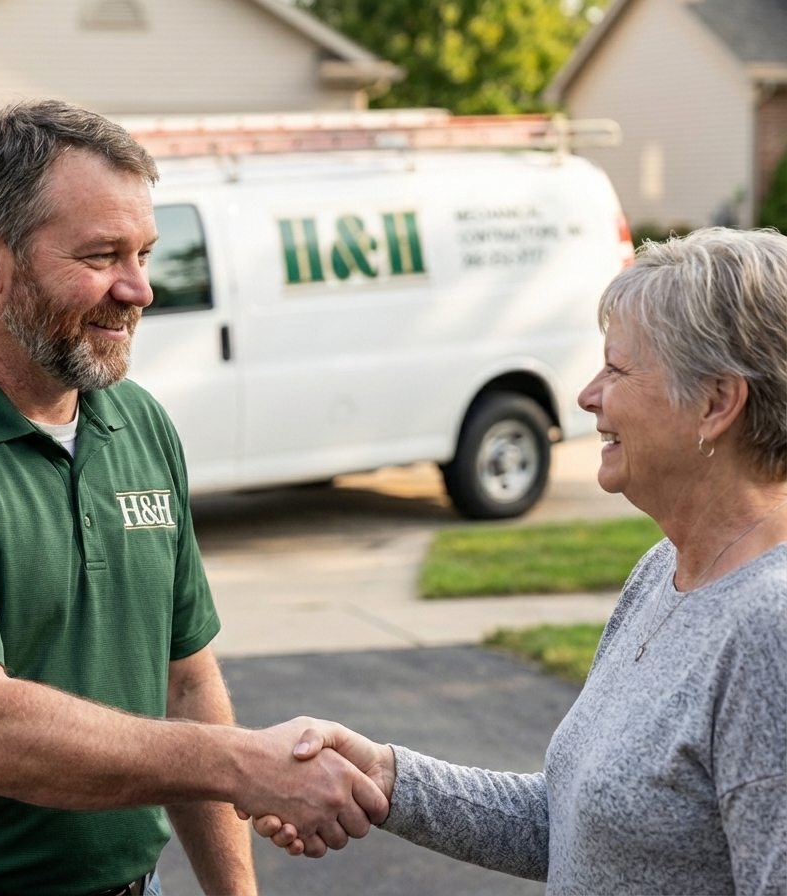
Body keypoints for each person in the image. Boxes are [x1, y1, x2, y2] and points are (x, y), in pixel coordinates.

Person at [0, 100, 386, 896]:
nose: (139, 289)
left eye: (144, 253)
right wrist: (243, 764)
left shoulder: (138, 423)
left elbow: (185, 683)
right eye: (103, 255)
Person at [250, 227, 787, 894]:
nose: (588, 395)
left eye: (617, 370)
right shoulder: (662, 571)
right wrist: (386, 776)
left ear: (716, 402)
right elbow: (570, 823)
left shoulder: (770, 629)